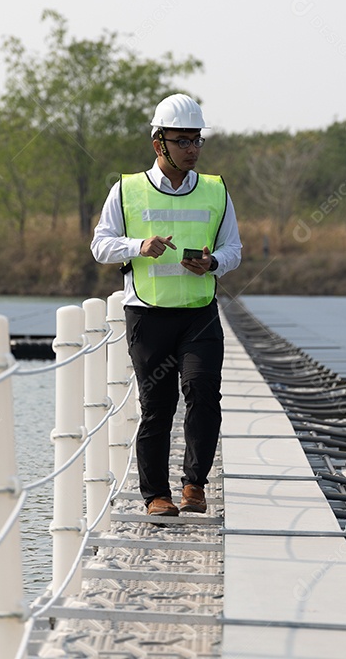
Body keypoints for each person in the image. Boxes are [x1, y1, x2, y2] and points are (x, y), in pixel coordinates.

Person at [90, 94, 242, 517]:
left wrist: (212, 262)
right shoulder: (126, 190)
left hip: (199, 313)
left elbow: (235, 250)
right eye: (183, 141)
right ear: (160, 144)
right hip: (148, 314)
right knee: (157, 405)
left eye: (197, 141)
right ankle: (156, 495)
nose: (192, 149)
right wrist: (139, 246)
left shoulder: (216, 190)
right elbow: (100, 246)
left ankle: (195, 484)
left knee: (203, 394)